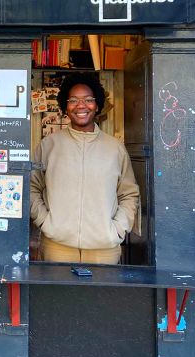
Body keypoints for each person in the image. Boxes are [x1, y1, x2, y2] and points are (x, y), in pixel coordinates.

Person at [30, 72, 140, 265]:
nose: (81, 105)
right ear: (65, 106)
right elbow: (31, 188)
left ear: (97, 106)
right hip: (57, 246)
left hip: (104, 249)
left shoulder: (114, 148)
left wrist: (117, 229)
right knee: (55, 296)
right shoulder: (49, 145)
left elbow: (128, 194)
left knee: (99, 296)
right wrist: (46, 222)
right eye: (73, 100)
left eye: (88, 100)